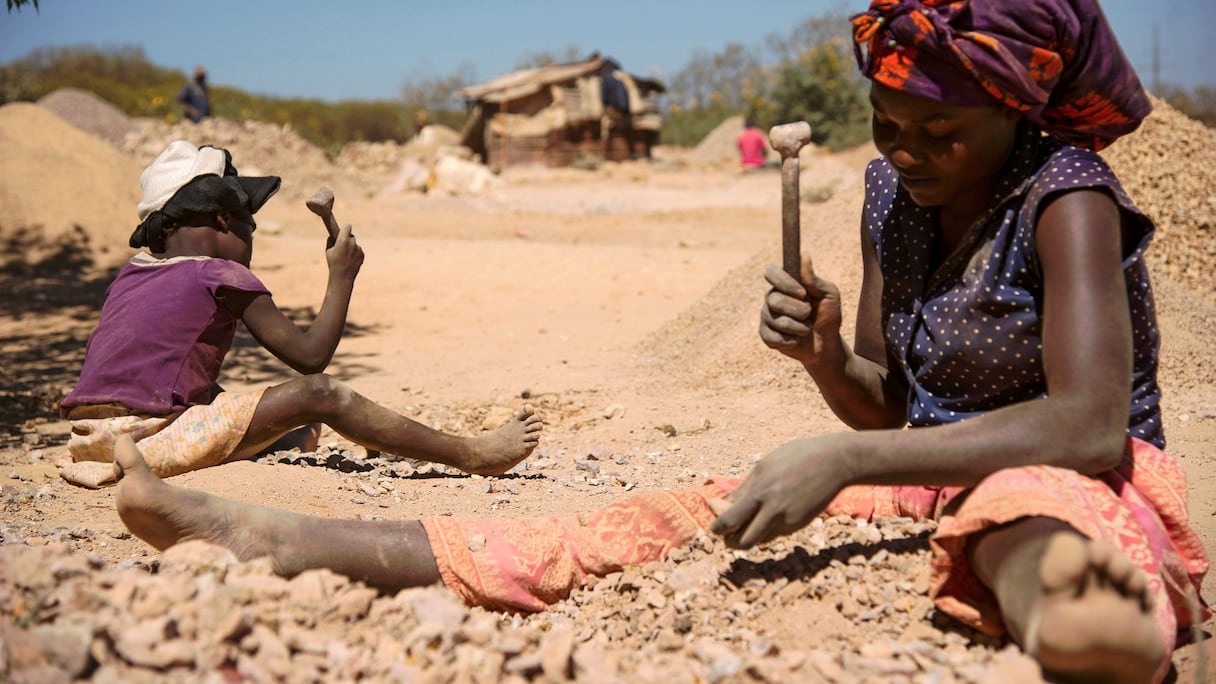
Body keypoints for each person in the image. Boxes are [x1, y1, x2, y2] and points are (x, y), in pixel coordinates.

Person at [110, 2, 1208, 682]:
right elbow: (892, 408)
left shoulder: (1068, 198)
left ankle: (1079, 613)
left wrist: (852, 459)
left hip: (1077, 481)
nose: (907, 152)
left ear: (1018, 112)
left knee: (1026, 520)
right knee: (635, 523)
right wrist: (828, 360)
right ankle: (273, 535)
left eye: (941, 133)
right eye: (887, 124)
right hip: (926, 480)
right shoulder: (889, 198)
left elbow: (1087, 421)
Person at [59, 140, 542, 488]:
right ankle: (473, 454)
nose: (251, 237)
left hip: (91, 438)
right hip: (151, 437)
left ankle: (288, 443)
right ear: (224, 217)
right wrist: (342, 276)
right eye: (251, 224)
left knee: (230, 399)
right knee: (321, 397)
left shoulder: (133, 273)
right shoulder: (220, 274)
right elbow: (312, 361)